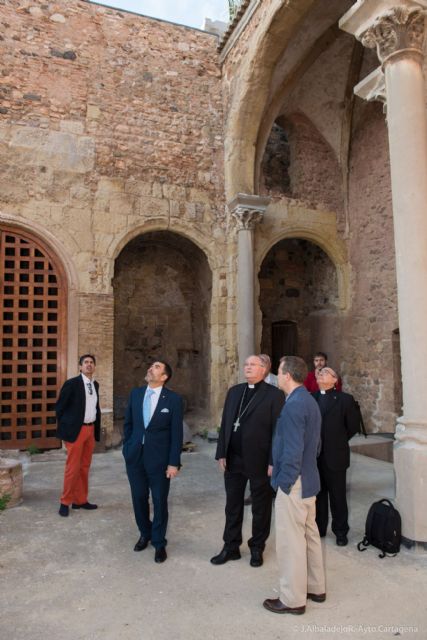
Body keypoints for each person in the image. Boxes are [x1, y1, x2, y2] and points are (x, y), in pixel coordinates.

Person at [263, 356, 325, 615]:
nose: (277, 375)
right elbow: (316, 445)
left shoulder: (293, 406)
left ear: (287, 375)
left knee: (290, 542)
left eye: (278, 371)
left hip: (295, 482)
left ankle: (292, 599)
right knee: (309, 535)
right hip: (310, 479)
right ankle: (315, 587)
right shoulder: (309, 400)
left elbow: (293, 451)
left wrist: (285, 483)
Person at [211, 355, 284, 568]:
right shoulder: (235, 392)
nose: (248, 367)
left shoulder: (274, 395)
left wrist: (273, 460)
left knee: (261, 507)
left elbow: (278, 432)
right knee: (232, 505)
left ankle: (257, 547)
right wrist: (221, 452)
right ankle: (230, 546)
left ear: (264, 369)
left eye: (253, 365)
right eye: (246, 364)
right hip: (234, 458)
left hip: (260, 460)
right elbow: (226, 424)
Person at [123, 360, 183, 563]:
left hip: (159, 460)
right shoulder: (136, 394)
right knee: (138, 498)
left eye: (156, 367)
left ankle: (158, 542)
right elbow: (128, 424)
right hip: (135, 458)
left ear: (164, 376)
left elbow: (177, 433)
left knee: (159, 501)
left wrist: (173, 462)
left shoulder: (173, 399)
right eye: (150, 366)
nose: (150, 368)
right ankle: (144, 533)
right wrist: (127, 448)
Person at [312, 366, 360, 546]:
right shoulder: (312, 398)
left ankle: (340, 531)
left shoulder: (345, 400)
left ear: (335, 380)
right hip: (315, 457)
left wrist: (337, 440)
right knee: (318, 496)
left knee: (338, 496)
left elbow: (353, 426)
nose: (321, 374)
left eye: (326, 372)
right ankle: (320, 528)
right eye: (320, 372)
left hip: (336, 456)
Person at [56, 354, 101, 517]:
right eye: (86, 362)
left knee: (84, 467)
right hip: (76, 431)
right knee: (72, 468)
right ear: (80, 367)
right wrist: (66, 429)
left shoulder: (95, 385)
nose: (89, 365)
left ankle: (80, 500)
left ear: (94, 366)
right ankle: (65, 502)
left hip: (90, 430)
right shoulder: (72, 384)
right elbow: (59, 408)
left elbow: (95, 407)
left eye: (91, 362)